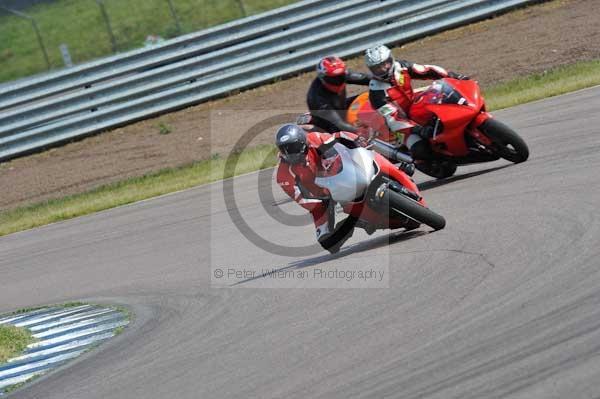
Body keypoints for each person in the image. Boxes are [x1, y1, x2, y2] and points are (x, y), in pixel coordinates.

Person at [365, 44, 469, 160]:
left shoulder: (401, 67)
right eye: (377, 68)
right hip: (399, 128)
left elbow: (427, 70)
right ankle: (426, 162)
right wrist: (417, 129)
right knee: (419, 148)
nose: (383, 69)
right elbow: (392, 118)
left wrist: (454, 76)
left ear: (391, 59)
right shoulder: (376, 92)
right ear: (371, 69)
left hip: (415, 109)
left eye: (385, 63)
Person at [275, 123, 362, 254]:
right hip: (321, 199)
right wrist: (320, 202)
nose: (290, 153)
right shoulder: (283, 175)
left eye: (293, 147)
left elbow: (338, 136)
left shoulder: (314, 138)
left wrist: (357, 140)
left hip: (341, 177)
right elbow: (300, 199)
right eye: (285, 149)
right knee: (327, 242)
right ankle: (355, 222)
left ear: (302, 141)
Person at [306, 56, 371, 134]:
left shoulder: (342, 75)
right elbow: (339, 124)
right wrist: (361, 132)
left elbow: (366, 78)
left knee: (367, 96)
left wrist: (385, 79)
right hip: (329, 127)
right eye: (333, 79)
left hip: (341, 107)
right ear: (323, 78)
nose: (338, 81)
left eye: (340, 76)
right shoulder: (317, 99)